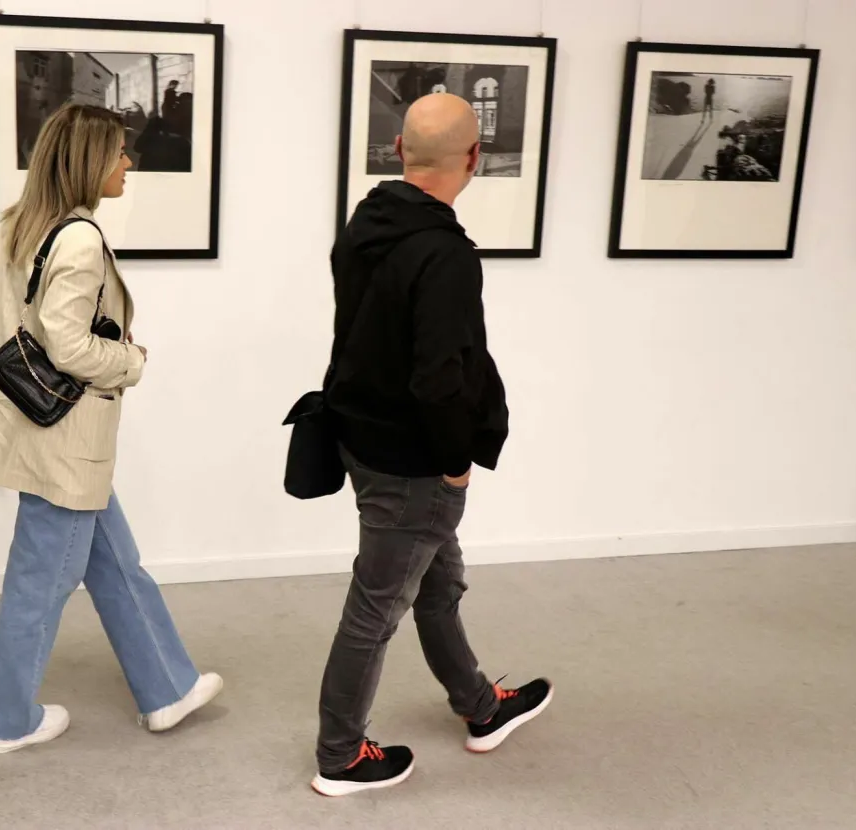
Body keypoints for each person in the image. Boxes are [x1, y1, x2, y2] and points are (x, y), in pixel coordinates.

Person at [0, 103, 222, 755]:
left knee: (116, 565)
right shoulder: (77, 238)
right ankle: (7, 719)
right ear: (88, 161)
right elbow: (67, 346)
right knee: (39, 582)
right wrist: (130, 360)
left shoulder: (20, 224)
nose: (129, 163)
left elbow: (20, 325)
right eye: (119, 153)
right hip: (67, 438)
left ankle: (166, 688)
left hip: (35, 427)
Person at [310, 93, 552, 797]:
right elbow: (439, 380)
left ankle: (480, 707)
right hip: (411, 461)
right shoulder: (443, 253)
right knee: (376, 606)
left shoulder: (365, 225)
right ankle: (339, 755)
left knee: (439, 583)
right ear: (473, 160)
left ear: (395, 149)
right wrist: (454, 465)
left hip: (361, 437)